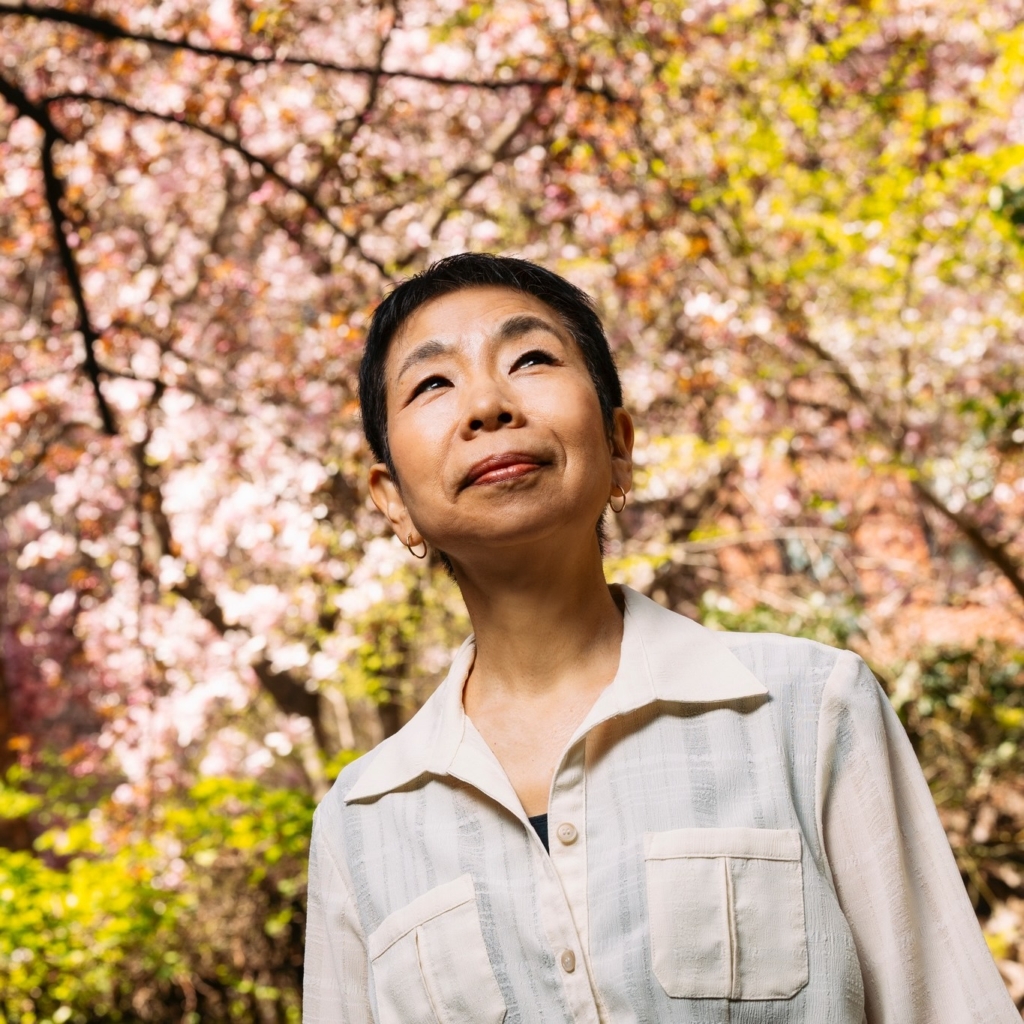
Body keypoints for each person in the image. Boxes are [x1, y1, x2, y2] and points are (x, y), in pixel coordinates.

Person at [302, 253, 1018, 1024]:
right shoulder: (361, 822)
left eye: (531, 358)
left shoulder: (809, 711)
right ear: (392, 501)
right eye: (432, 384)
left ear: (619, 446)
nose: (487, 404)